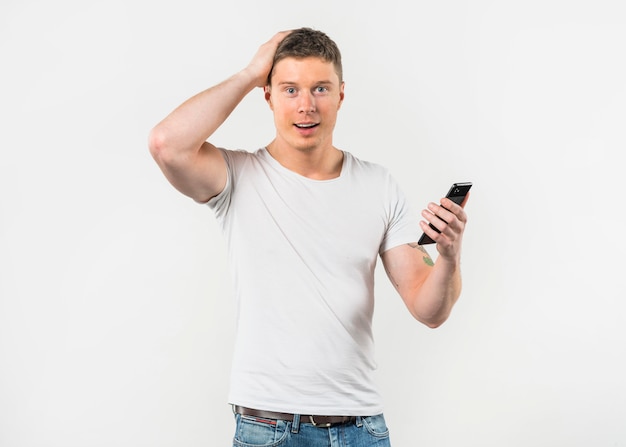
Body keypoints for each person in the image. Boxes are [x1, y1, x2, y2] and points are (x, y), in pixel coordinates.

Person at [149, 27, 469, 447]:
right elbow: (166, 144)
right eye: (289, 89)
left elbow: (430, 310)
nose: (306, 106)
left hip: (362, 429)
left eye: (320, 88)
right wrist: (250, 72)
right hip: (270, 430)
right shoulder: (237, 175)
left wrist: (447, 256)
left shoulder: (379, 185)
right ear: (268, 96)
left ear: (340, 94)